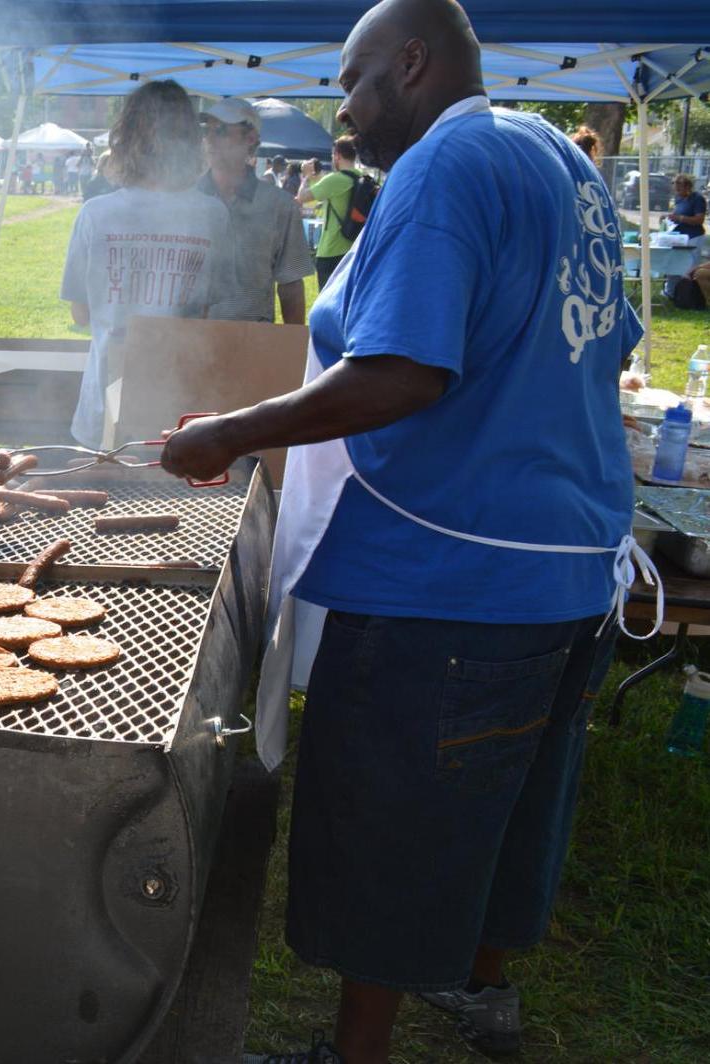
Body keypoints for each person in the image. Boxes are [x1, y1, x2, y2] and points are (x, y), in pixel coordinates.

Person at [160, 2, 641, 1061]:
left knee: (391, 821)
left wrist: (233, 431)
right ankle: (480, 990)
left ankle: (354, 1051)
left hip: (448, 578)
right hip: (573, 566)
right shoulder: (562, 156)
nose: (341, 106)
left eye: (352, 78)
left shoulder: (440, 166)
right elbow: (604, 342)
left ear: (411, 65)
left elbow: (404, 369)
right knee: (508, 801)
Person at [59, 79, 227, 448]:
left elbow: (80, 313)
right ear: (189, 140)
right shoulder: (213, 215)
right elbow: (203, 313)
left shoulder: (96, 214)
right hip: (179, 405)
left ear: (125, 139)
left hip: (105, 402)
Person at [199, 98, 315, 323]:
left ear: (250, 139)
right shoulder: (186, 200)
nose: (210, 138)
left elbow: (291, 285)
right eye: (207, 130)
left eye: (221, 130)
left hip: (253, 341)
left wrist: (293, 350)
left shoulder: (279, 205)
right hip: (192, 341)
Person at [298, 135, 367, 286]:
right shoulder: (362, 178)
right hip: (354, 250)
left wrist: (306, 177)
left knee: (326, 306)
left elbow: (301, 197)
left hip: (331, 251)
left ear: (337, 155)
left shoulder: (336, 179)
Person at [667, 173, 705, 239]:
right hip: (679, 237)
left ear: (687, 186)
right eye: (675, 189)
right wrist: (668, 217)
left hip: (693, 237)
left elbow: (699, 220)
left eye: (679, 189)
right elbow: (677, 213)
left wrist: (680, 218)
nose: (676, 191)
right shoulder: (678, 197)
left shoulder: (697, 198)